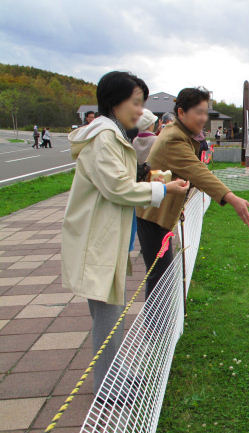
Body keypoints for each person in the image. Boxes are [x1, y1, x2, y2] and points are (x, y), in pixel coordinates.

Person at [61, 71, 189, 397]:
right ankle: (107, 386)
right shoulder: (104, 138)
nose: (140, 111)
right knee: (107, 313)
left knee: (112, 310)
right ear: (115, 103)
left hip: (105, 238)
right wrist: (164, 190)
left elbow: (127, 172)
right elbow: (118, 188)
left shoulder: (113, 133)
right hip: (96, 240)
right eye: (135, 102)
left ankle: (114, 373)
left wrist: (161, 182)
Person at [136, 87, 249, 299]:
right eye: (198, 112)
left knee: (161, 274)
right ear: (181, 112)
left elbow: (188, 172)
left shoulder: (180, 134)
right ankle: (155, 320)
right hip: (152, 216)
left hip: (156, 213)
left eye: (205, 112)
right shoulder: (174, 138)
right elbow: (198, 171)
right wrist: (232, 198)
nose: (203, 118)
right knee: (159, 277)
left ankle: (159, 317)